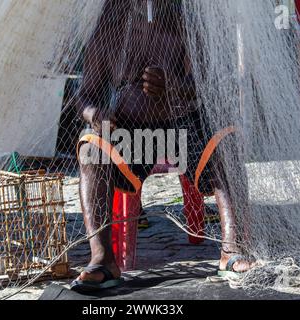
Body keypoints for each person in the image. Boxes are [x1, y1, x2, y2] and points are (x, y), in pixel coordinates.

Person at [72, 0, 254, 292]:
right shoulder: (109, 25)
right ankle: (102, 258)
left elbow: (206, 85)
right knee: (90, 150)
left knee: (227, 142)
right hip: (129, 132)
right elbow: (85, 96)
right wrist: (96, 115)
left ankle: (232, 250)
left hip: (184, 125)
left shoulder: (185, 20)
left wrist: (174, 87)